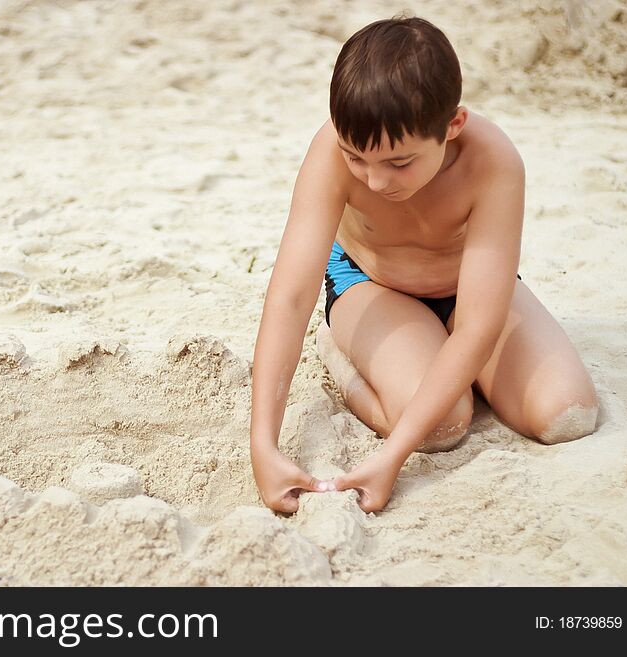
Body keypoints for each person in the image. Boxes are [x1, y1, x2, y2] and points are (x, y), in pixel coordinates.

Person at [249, 16, 599, 515]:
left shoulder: (493, 162)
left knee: (568, 416)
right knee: (441, 427)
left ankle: (434, 362)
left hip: (469, 288)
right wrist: (264, 445)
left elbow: (479, 325)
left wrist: (390, 457)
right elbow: (289, 296)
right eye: (356, 159)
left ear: (452, 125)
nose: (374, 182)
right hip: (372, 284)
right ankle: (343, 354)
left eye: (399, 162)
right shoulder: (330, 150)